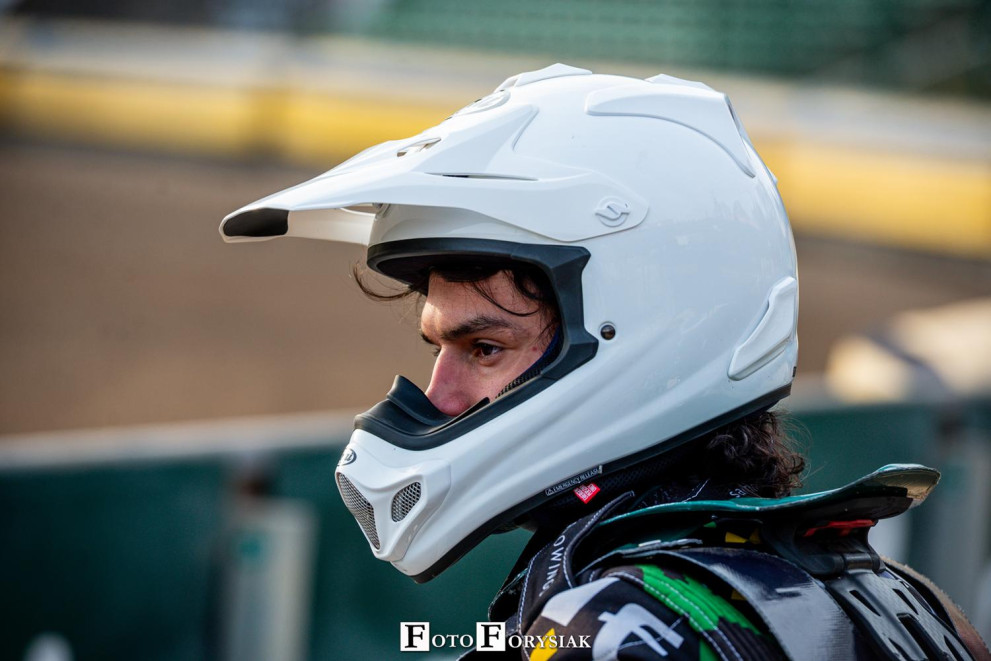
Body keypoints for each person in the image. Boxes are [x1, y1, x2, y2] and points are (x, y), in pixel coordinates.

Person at [221, 65, 989, 660]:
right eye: (437, 347)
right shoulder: (903, 601)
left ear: (643, 339)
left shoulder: (609, 631)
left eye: (484, 348)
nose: (440, 394)